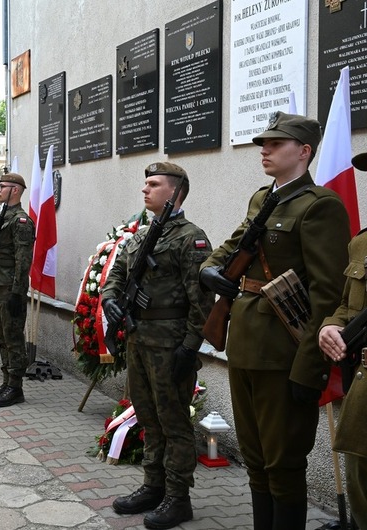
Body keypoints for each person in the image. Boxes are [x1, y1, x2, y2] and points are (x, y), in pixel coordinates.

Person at [199, 112, 350, 528]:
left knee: (283, 464)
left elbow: (327, 296)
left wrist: (309, 369)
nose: (264, 149)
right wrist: (210, 268)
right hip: (246, 346)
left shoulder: (320, 207)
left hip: (284, 354)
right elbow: (233, 244)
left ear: (303, 152)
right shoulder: (262, 199)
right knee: (255, 459)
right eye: (263, 143)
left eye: (275, 143)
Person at [102, 163, 214, 529]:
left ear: (175, 192)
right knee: (148, 416)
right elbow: (117, 274)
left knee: (174, 423)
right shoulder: (140, 235)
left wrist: (190, 347)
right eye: (145, 183)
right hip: (139, 340)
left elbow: (201, 300)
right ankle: (153, 486)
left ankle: (178, 499)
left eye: (153, 184)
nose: (145, 189)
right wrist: (109, 301)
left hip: (170, 344)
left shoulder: (190, 237)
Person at [318, 151, 367, 530]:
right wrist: (331, 327)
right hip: (361, 390)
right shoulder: (361, 245)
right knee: (360, 485)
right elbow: (348, 306)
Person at [0, 172, 34, 407]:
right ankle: (6, 381)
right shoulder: (2, 215)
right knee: (1, 335)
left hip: (9, 288)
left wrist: (17, 292)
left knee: (13, 337)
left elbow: (23, 260)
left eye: (2, 186)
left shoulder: (21, 220)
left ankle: (16, 387)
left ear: (15, 190)